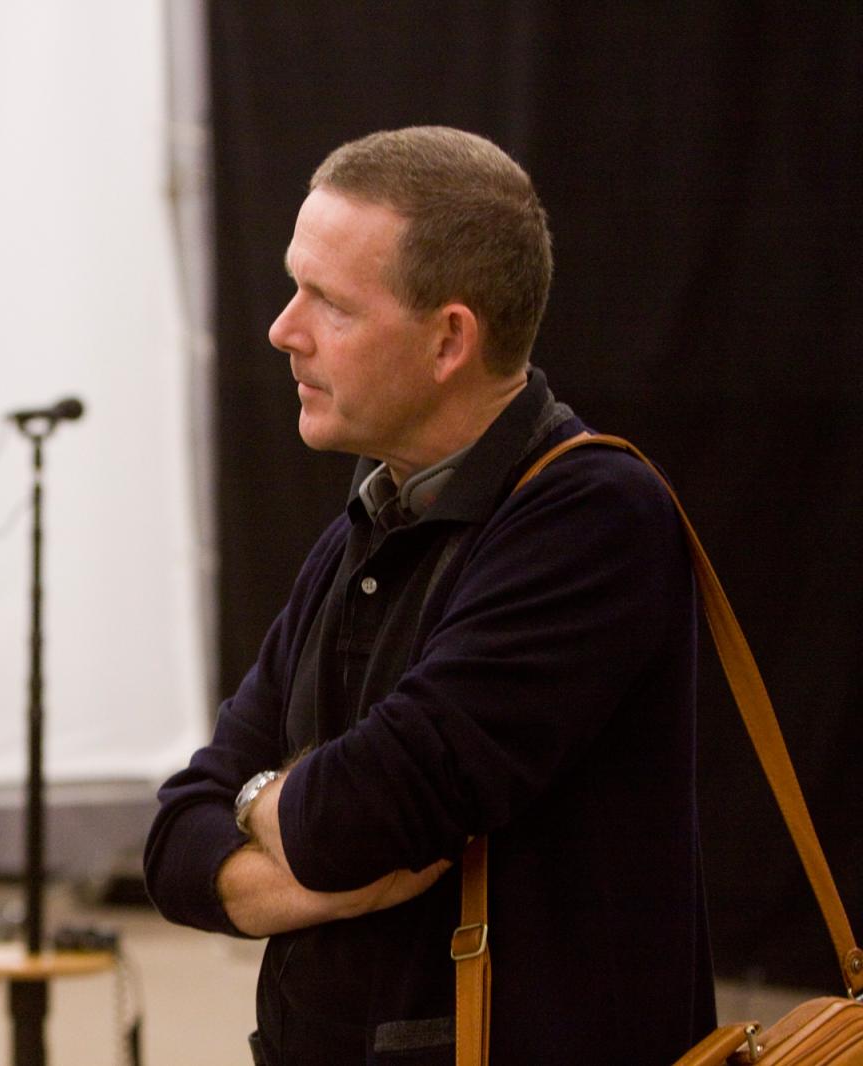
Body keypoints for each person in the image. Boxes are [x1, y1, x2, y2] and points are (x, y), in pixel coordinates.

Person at [143, 127, 714, 1065]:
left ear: (450, 339)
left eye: (329, 302)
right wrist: (296, 845)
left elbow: (351, 817)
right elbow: (174, 843)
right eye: (293, 287)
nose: (283, 329)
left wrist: (264, 812)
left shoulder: (593, 516)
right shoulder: (369, 522)